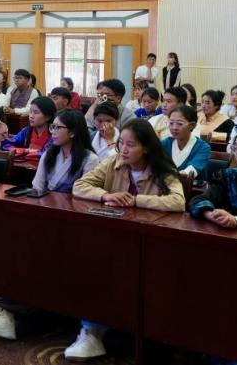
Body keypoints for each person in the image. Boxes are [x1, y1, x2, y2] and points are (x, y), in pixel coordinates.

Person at [67, 118, 185, 360]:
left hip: (150, 244)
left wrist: (136, 200)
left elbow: (178, 201)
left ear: (147, 147)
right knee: (92, 265)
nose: (124, 149)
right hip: (115, 238)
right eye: (121, 143)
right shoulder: (114, 162)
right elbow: (79, 186)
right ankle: (91, 332)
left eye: (131, 145)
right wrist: (106, 195)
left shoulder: (162, 169)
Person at [32, 109, 99, 193]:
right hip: (45, 200)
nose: (53, 132)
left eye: (58, 127)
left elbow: (86, 192)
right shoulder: (49, 153)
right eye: (52, 127)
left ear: (72, 132)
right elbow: (37, 187)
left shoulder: (90, 159)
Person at [161, 105, 211, 182]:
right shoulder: (165, 143)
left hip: (193, 188)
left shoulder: (203, 147)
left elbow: (191, 172)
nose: (174, 128)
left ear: (192, 125)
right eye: (171, 123)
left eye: (179, 124)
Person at [1, 97, 55, 161]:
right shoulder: (27, 131)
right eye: (30, 112)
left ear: (48, 117)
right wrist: (25, 150)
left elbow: (48, 154)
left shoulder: (54, 134)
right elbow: (7, 145)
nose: (31, 116)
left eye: (36, 112)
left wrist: (27, 152)